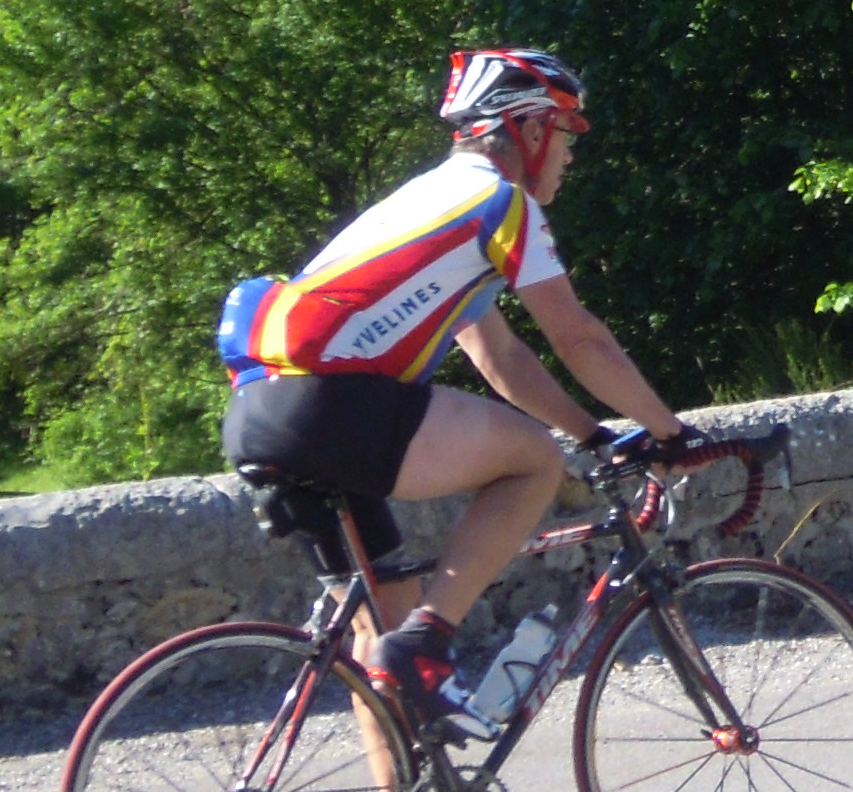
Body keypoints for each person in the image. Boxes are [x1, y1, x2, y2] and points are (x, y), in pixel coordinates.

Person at [220, 47, 688, 738]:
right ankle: (429, 639)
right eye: (566, 131)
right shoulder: (502, 204)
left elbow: (501, 357)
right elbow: (579, 339)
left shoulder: (428, 202)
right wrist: (672, 434)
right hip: (332, 404)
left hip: (261, 411)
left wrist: (596, 435)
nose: (570, 153)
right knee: (533, 459)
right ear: (530, 128)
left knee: (381, 640)